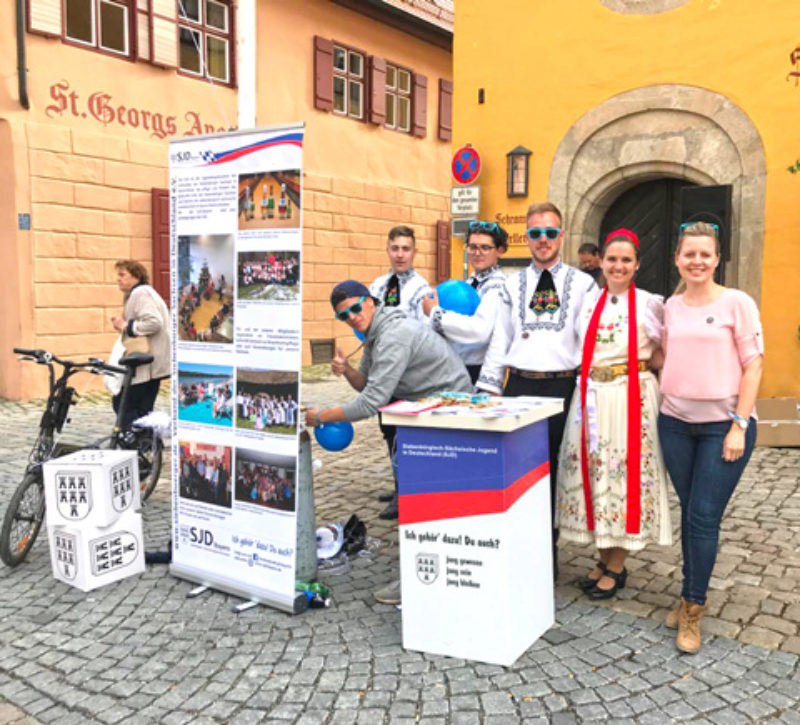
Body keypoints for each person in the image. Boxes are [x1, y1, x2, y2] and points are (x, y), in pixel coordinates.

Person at [305, 280, 471, 605]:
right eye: (344, 316)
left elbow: (370, 404)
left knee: (428, 501)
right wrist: (349, 370)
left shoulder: (393, 335)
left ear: (370, 301)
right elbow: (367, 386)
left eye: (355, 308)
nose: (352, 317)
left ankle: (422, 578)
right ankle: (430, 573)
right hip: (428, 413)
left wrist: (323, 416)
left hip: (449, 415)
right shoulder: (376, 334)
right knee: (423, 498)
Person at [657, 221, 763, 654]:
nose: (697, 261)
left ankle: (693, 608)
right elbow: (663, 353)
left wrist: (739, 423)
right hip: (676, 424)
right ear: (677, 259)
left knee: (703, 515)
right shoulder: (670, 306)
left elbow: (754, 365)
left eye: (705, 254)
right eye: (689, 254)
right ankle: (689, 591)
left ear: (717, 259)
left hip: (725, 426)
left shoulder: (737, 302)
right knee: (691, 511)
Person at [476, 202, 597, 579]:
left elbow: (588, 339)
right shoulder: (511, 285)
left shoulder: (583, 283)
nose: (542, 240)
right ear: (525, 238)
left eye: (550, 233)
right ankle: (513, 549)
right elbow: (501, 338)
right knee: (515, 471)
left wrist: (587, 390)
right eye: (535, 234)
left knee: (554, 473)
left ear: (561, 235)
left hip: (562, 387)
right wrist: (490, 388)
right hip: (519, 386)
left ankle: (546, 558)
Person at [556, 229, 672, 600]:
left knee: (621, 476)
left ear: (637, 264)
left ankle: (618, 565)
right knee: (595, 474)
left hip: (629, 398)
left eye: (626, 260)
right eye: (612, 259)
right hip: (590, 396)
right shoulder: (590, 302)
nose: (618, 266)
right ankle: (605, 557)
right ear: (602, 263)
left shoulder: (652, 304)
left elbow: (666, 351)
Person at [369, 225, 434, 516]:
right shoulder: (377, 286)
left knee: (406, 431)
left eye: (405, 248)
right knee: (388, 430)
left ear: (414, 252)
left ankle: (407, 492)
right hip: (383, 369)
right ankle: (399, 485)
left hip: (409, 373)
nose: (400, 254)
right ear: (388, 249)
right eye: (395, 248)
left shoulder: (422, 289)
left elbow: (425, 332)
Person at [422, 221, 509, 384]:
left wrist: (435, 313)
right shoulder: (469, 283)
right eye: (472, 247)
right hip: (453, 367)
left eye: (485, 248)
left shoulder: (498, 286)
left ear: (499, 251)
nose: (477, 253)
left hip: (478, 370)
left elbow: (480, 331)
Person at [110, 260, 170, 429]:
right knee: (141, 407)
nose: (118, 279)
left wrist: (125, 326)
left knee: (124, 403)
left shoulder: (141, 293)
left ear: (136, 276)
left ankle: (136, 442)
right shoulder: (137, 293)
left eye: (122, 275)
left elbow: (154, 322)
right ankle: (146, 443)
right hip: (148, 361)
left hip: (146, 363)